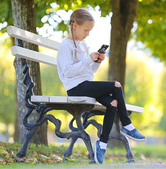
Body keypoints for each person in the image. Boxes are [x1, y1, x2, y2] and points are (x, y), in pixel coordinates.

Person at [56, 8, 145, 164]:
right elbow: (68, 72)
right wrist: (88, 60)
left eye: (90, 31)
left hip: (86, 84)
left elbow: (89, 72)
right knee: (116, 85)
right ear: (75, 25)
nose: (87, 33)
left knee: (113, 103)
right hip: (75, 88)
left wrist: (96, 62)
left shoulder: (83, 45)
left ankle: (102, 144)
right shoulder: (66, 46)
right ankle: (127, 125)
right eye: (86, 30)